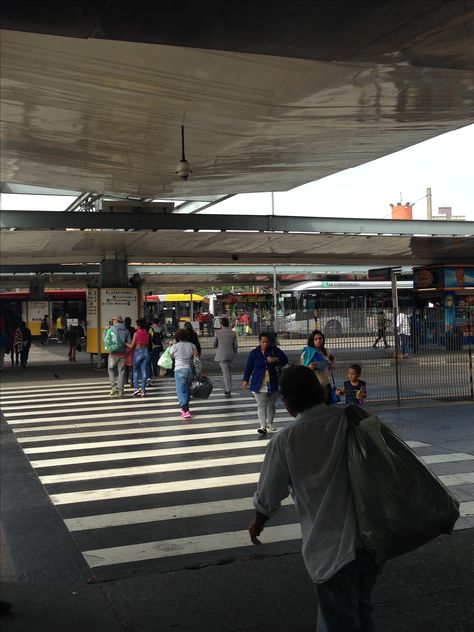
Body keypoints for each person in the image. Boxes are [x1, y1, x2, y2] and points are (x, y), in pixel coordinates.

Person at [249, 365, 380, 632]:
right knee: (362, 608)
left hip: (330, 547)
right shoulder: (350, 419)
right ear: (320, 391)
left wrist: (258, 521)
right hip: (370, 540)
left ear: (287, 401)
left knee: (337, 621)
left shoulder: (286, 440)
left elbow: (269, 494)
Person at [242, 333, 288, 434]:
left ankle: (270, 423)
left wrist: (276, 359)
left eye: (267, 342)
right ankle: (262, 426)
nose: (265, 344)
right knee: (261, 405)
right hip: (259, 383)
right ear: (259, 342)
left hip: (273, 382)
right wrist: (245, 380)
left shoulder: (274, 350)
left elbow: (285, 360)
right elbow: (248, 367)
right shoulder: (254, 353)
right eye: (263, 342)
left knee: (271, 404)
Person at [169, 328, 200, 419]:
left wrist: (171, 345)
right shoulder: (192, 345)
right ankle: (185, 407)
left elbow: (170, 355)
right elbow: (196, 359)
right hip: (189, 370)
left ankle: (185, 409)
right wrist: (199, 372)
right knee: (187, 389)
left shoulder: (175, 346)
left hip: (179, 369)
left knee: (180, 390)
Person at [300, 329, 336, 403]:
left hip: (325, 385)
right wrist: (308, 367)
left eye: (320, 338)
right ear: (312, 341)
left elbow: (333, 365)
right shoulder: (306, 353)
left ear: (323, 340)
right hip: (312, 386)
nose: (318, 341)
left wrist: (330, 364)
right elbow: (301, 369)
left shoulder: (327, 351)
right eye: (315, 339)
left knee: (326, 407)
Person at [106, 315, 131, 397]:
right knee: (121, 371)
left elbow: (107, 340)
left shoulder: (111, 329)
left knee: (110, 369)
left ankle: (114, 387)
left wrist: (105, 331)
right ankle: (120, 390)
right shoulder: (126, 330)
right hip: (122, 353)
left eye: (113, 320)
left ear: (116, 320)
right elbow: (129, 343)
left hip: (113, 353)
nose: (112, 321)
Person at [213, 316, 238, 397]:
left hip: (222, 355)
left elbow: (214, 344)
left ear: (221, 324)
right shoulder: (233, 333)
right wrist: (234, 352)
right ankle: (228, 387)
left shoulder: (217, 332)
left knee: (226, 373)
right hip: (231, 354)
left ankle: (228, 389)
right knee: (229, 372)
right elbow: (235, 345)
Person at [127, 318, 150, 397]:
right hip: (146, 352)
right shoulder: (147, 333)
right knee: (144, 371)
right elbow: (147, 344)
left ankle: (136, 388)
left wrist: (125, 343)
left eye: (136, 325)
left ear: (139, 326)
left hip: (138, 352)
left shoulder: (136, 334)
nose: (135, 326)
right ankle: (143, 390)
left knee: (135, 370)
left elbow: (131, 346)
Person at [148, 316, 164, 382]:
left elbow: (149, 338)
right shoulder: (160, 329)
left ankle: (151, 374)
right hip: (158, 347)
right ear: (158, 323)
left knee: (150, 361)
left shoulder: (151, 329)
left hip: (152, 347)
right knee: (156, 361)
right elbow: (162, 338)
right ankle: (155, 373)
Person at [124, 317, 136, 387]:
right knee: (131, 365)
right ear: (130, 322)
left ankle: (125, 380)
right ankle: (131, 379)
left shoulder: (123, 329)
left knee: (125, 365)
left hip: (124, 348)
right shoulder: (133, 329)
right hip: (131, 348)